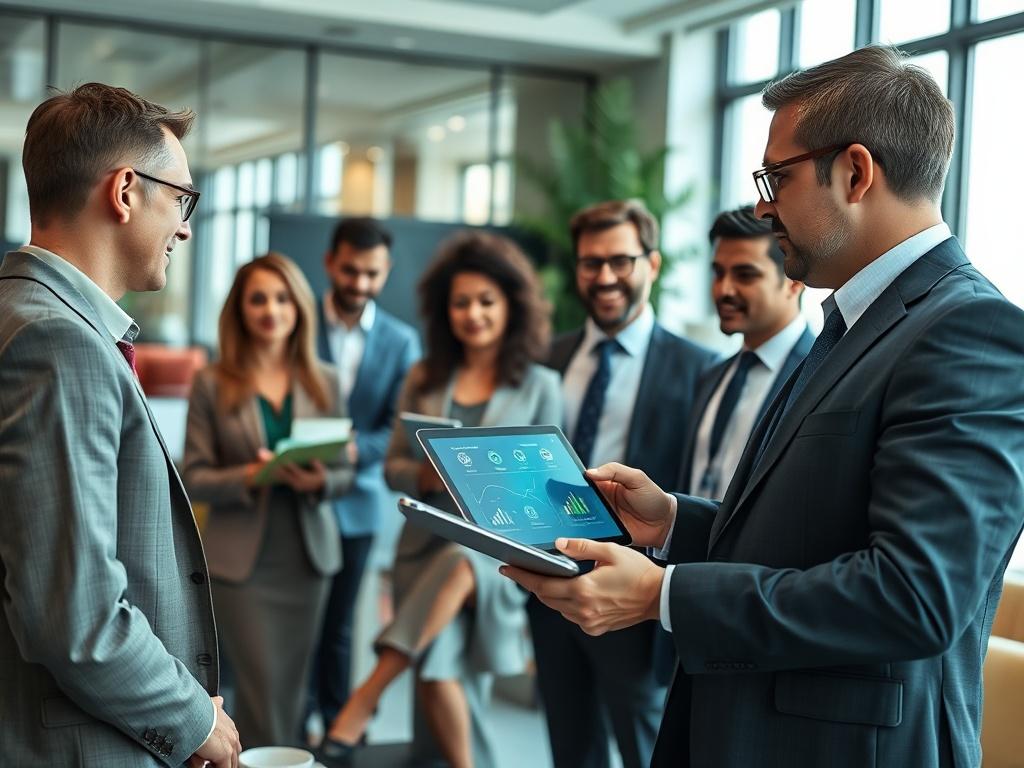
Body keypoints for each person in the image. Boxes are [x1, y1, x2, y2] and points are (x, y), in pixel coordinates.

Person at [503, 46, 1024, 768]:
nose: (761, 204)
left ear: (855, 172)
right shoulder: (856, 321)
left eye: (776, 176)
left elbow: (914, 595)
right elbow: (814, 534)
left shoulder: (970, 330)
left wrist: (667, 596)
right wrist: (676, 522)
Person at [0, 83, 240, 766]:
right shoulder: (58, 344)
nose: (187, 226)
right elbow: (74, 617)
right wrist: (191, 717)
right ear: (126, 191)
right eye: (182, 199)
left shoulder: (22, 317)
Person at [319, 231, 561, 768]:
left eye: (486, 301)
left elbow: (546, 488)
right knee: (438, 669)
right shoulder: (425, 377)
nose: (472, 314)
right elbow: (391, 469)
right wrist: (430, 477)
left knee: (459, 564)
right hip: (423, 550)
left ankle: (369, 691)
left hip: (494, 562)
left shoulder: (541, 385)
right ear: (444, 309)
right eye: (461, 302)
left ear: (511, 306)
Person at [533, 199, 718, 768]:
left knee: (646, 747)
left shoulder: (701, 367)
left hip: (637, 590)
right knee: (570, 745)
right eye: (591, 263)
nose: (605, 276)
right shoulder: (548, 357)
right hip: (552, 576)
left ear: (653, 264)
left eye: (621, 260)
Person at [183, 252, 355, 748]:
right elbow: (193, 476)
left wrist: (319, 481)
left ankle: (286, 758)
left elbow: (345, 470)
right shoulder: (212, 382)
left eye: (282, 299)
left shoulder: (325, 379)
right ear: (239, 308)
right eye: (258, 299)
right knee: (261, 689)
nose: (271, 310)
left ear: (299, 307)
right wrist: (252, 475)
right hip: (242, 564)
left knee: (294, 687)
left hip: (308, 557)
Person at [308, 217, 421, 737]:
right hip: (296, 495)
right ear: (330, 261)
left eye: (371, 274)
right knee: (298, 621)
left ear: (386, 271)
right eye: (350, 270)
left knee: (340, 624)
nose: (359, 283)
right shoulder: (297, 319)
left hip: (358, 500)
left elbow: (396, 430)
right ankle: (286, 722)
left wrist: (351, 449)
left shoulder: (402, 342)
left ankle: (335, 724)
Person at [678, 205, 811, 498]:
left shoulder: (821, 375)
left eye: (745, 275)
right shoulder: (712, 374)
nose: (724, 289)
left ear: (794, 281)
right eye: (718, 273)